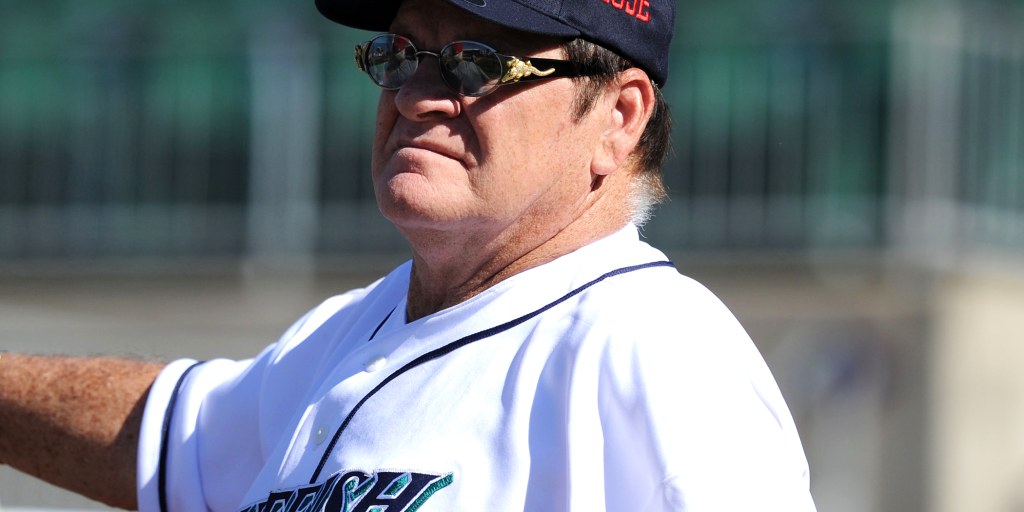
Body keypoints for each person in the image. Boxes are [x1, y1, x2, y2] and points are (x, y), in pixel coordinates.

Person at [0, 0, 817, 510]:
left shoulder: (653, 346)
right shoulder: (346, 336)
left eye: (477, 62)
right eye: (401, 55)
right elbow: (171, 437)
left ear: (618, 118)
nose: (419, 95)